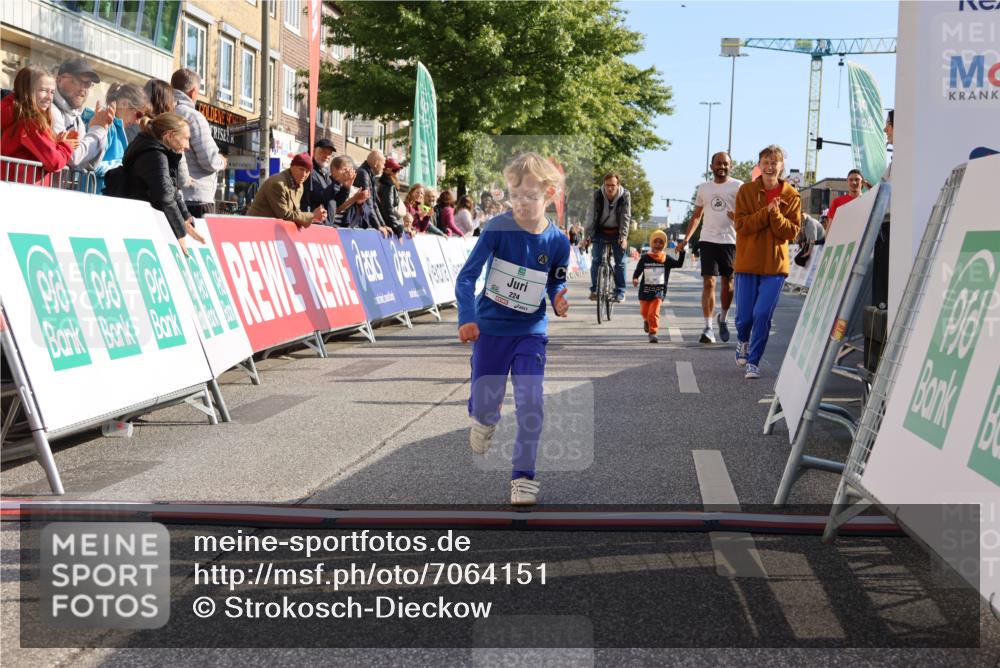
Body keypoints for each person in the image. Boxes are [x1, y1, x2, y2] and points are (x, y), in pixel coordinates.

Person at [455, 152, 570, 506]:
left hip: (530, 330)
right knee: (487, 405)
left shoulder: (558, 242)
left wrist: (559, 297)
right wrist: (467, 317)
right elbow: (466, 277)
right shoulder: (497, 229)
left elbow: (555, 282)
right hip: (491, 330)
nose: (521, 203)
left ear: (549, 194)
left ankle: (523, 477)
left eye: (530, 196)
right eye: (515, 196)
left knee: (531, 404)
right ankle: (484, 418)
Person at [733, 144, 801, 379]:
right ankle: (742, 340)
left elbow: (791, 232)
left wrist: (775, 213)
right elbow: (741, 226)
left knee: (762, 315)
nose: (770, 166)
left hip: (775, 266)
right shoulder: (746, 192)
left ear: (782, 166)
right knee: (745, 318)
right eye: (766, 162)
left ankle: (754, 361)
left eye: (775, 162)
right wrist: (767, 212)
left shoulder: (791, 195)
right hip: (747, 263)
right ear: (759, 165)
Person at [677, 151, 741, 344]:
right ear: (711, 167)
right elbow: (697, 215)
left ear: (731, 166)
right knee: (709, 283)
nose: (722, 167)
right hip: (708, 240)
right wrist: (687, 238)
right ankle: (708, 327)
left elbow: (747, 214)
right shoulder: (704, 188)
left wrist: (737, 219)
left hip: (730, 241)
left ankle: (723, 318)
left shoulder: (739, 187)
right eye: (718, 163)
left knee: (728, 284)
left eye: (725, 163)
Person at [117, 112, 203, 254]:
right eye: (186, 139)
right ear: (169, 136)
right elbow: (165, 196)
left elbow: (172, 191)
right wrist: (180, 234)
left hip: (142, 222)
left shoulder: (160, 152)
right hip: (136, 226)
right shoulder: (155, 154)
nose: (188, 146)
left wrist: (186, 218)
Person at [0, 65, 77, 184]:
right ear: (27, 90)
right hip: (24, 193)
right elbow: (54, 162)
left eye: (52, 92)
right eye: (43, 90)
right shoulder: (30, 123)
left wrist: (56, 144)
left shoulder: (20, 119)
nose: (49, 98)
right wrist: (65, 146)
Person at [171, 68, 226, 218]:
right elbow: (209, 160)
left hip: (173, 197)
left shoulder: (166, 112)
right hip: (197, 198)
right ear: (193, 92)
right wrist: (222, 161)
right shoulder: (194, 117)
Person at [51, 57, 114, 172]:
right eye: (78, 81)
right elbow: (73, 157)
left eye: (88, 84)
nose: (83, 89)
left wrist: (102, 129)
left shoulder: (77, 118)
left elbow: (88, 164)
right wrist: (97, 130)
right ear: (59, 80)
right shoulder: (50, 109)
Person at [83, 83, 147, 195]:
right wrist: (127, 167)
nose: (138, 121)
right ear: (124, 103)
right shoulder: (106, 125)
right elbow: (91, 164)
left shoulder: (116, 128)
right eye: (138, 114)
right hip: (94, 195)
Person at [582, 171, 631, 303]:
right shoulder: (597, 195)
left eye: (613, 185)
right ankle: (595, 290)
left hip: (617, 232)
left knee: (620, 262)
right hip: (600, 231)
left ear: (618, 185)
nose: (610, 188)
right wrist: (587, 236)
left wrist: (624, 237)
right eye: (607, 185)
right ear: (604, 185)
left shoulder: (625, 196)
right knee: (596, 260)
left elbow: (626, 217)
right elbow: (590, 216)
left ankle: (620, 291)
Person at [632, 230, 685, 343]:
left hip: (658, 291)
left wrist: (682, 252)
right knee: (644, 312)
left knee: (654, 312)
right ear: (651, 243)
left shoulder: (666, 259)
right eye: (655, 242)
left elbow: (679, 264)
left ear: (664, 245)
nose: (658, 244)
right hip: (645, 291)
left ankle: (653, 332)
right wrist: (635, 278)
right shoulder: (645, 258)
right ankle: (646, 320)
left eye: (661, 242)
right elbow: (638, 270)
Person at [247, 152, 326, 228]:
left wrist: (314, 217)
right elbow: (284, 215)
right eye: (301, 169)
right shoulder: (278, 184)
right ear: (292, 167)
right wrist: (312, 215)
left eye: (307, 171)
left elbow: (295, 213)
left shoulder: (299, 186)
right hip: (255, 229)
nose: (304, 175)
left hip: (272, 230)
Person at [301, 138, 343, 226]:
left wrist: (346, 187)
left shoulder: (326, 173)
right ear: (314, 151)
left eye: (329, 153)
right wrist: (337, 182)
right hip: (314, 224)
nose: (326, 156)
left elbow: (336, 201)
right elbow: (320, 196)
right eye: (323, 152)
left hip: (327, 224)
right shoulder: (309, 171)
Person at [352, 149, 390, 236]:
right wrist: (378, 226)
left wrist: (382, 224)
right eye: (383, 164)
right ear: (376, 163)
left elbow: (374, 204)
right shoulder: (363, 174)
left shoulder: (369, 175)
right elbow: (369, 204)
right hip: (358, 223)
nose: (384, 167)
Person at [376, 157, 405, 236]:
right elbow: (388, 208)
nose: (396, 173)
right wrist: (397, 226)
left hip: (385, 223)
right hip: (388, 227)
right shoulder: (388, 185)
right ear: (387, 170)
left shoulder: (382, 182)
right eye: (394, 170)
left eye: (398, 170)